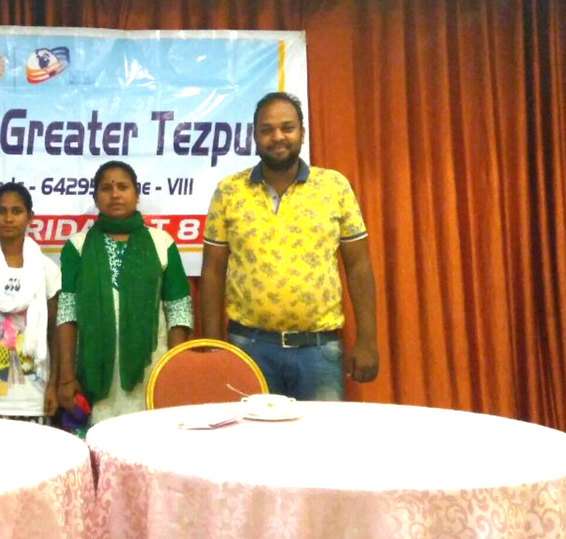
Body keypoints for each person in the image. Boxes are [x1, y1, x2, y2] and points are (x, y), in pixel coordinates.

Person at [200, 91, 378, 401]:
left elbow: (359, 267)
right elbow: (213, 271)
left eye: (287, 128)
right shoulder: (229, 191)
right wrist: (215, 344)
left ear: (302, 133)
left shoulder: (334, 186)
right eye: (267, 130)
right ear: (254, 136)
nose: (277, 137)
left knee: (315, 446)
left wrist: (367, 339)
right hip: (248, 347)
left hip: (318, 352)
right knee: (249, 444)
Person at [56, 161, 193, 424]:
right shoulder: (77, 246)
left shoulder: (162, 242)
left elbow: (178, 310)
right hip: (93, 373)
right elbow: (67, 314)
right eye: (106, 188)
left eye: (123, 187)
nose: (115, 194)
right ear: (96, 198)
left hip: (152, 368)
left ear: (136, 194)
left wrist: (175, 371)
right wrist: (66, 377)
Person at [0, 183, 62, 423]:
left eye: (16, 211)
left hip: (36, 396)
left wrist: (53, 386)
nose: (8, 218)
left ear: (30, 217)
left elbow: (54, 333)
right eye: (1, 211)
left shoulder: (47, 270)